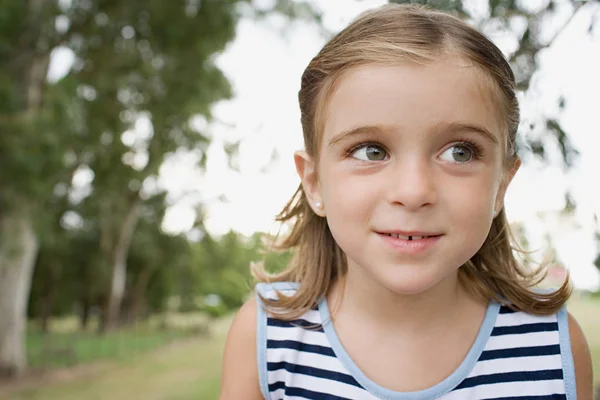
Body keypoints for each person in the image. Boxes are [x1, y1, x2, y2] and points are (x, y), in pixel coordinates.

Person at [219, 4, 593, 399]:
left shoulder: (553, 347)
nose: (414, 192)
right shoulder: (267, 337)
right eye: (371, 151)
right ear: (314, 183)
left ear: (501, 184)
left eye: (460, 153)